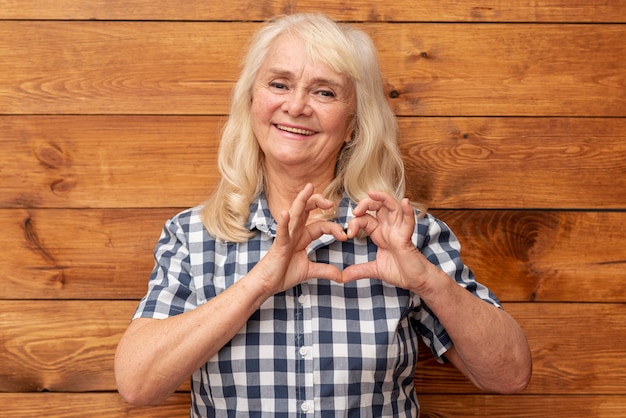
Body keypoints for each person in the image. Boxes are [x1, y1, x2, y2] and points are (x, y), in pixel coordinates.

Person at [115, 13, 532, 417]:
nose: (296, 106)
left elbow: (510, 375)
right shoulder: (193, 235)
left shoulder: (406, 235)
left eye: (325, 92)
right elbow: (137, 384)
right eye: (279, 84)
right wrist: (262, 281)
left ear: (353, 124)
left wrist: (426, 278)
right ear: (252, 102)